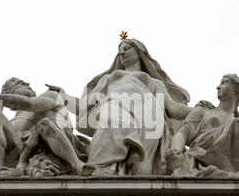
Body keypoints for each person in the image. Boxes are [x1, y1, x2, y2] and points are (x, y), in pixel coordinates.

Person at [49, 38, 192, 175]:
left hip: (148, 117)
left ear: (140, 52)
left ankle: (131, 158)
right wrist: (62, 96)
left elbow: (173, 109)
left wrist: (201, 110)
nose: (122, 52)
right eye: (120, 51)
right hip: (114, 110)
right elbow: (83, 106)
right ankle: (103, 166)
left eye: (127, 48)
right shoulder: (110, 79)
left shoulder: (154, 83)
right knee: (112, 112)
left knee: (127, 111)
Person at [0, 77, 94, 176]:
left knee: (44, 123)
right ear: (10, 97)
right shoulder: (11, 123)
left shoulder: (49, 96)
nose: (27, 84)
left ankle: (77, 164)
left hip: (51, 138)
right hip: (20, 150)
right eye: (20, 84)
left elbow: (30, 104)